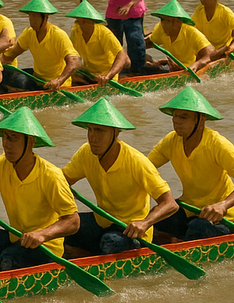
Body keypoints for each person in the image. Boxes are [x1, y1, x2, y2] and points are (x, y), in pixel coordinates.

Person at [0, 108, 79, 270]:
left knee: (9, 259)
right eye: (5, 137)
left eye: (14, 138)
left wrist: (42, 234)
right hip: (16, 237)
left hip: (46, 247)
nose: (6, 144)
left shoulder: (51, 175)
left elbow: (73, 222)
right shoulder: (0, 165)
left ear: (30, 142)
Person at [62, 99, 177, 255]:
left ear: (115, 133)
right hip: (102, 221)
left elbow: (170, 204)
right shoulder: (85, 153)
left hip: (131, 230)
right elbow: (62, 181)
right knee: (65, 229)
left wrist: (144, 223)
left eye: (100, 131)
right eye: (90, 130)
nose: (93, 137)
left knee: (110, 243)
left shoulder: (136, 161)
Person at [149, 87, 234, 240]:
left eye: (184, 117)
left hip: (219, 216)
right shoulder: (170, 141)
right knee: (156, 218)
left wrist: (223, 205)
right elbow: (144, 169)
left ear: (200, 120)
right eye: (175, 116)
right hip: (189, 209)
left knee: (198, 228)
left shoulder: (217, 144)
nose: (177, 121)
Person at [1, 0, 81, 91]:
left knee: (20, 81)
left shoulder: (58, 35)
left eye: (35, 17)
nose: (32, 21)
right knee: (6, 74)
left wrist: (59, 80)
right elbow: (9, 56)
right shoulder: (29, 33)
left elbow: (75, 62)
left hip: (56, 85)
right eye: (30, 16)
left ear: (45, 18)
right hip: (38, 79)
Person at [66, 0, 129, 84]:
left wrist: (108, 76)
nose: (80, 25)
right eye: (78, 21)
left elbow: (122, 55)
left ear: (92, 22)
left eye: (84, 22)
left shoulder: (104, 33)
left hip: (104, 76)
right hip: (88, 73)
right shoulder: (75, 30)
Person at [146, 0, 215, 74]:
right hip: (172, 66)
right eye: (162, 20)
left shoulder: (191, 33)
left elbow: (210, 54)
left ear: (177, 22)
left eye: (168, 21)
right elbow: (149, 43)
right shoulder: (160, 28)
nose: (163, 25)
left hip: (188, 69)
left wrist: (196, 64)